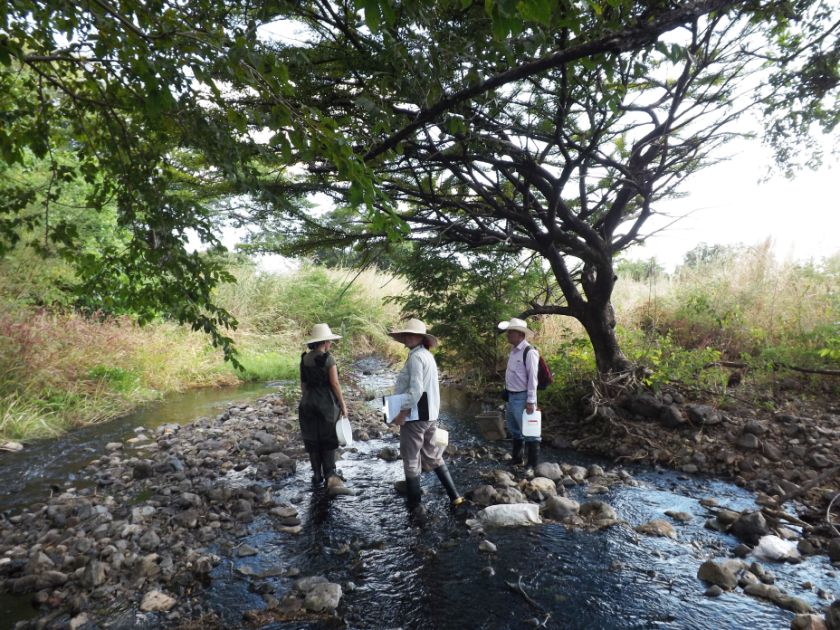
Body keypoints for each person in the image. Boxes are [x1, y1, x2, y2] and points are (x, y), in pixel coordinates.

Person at [389, 318, 464, 514]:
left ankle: (415, 506)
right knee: (432, 455)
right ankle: (455, 497)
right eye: (407, 334)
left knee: (411, 459)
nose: (408, 337)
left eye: (412, 334)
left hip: (415, 416)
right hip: (430, 414)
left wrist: (401, 414)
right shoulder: (426, 355)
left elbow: (415, 391)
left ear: (421, 338)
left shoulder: (415, 357)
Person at [298, 323, 348, 489]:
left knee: (312, 437)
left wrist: (307, 399)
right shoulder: (329, 359)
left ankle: (316, 474)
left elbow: (303, 384)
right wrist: (343, 404)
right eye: (329, 341)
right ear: (325, 342)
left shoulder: (304, 358)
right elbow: (334, 383)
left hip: (308, 402)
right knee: (328, 437)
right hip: (326, 402)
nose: (330, 344)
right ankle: (330, 474)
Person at [498, 317, 540, 475]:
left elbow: (533, 379)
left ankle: (532, 465)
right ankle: (517, 459)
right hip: (511, 396)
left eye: (511, 332)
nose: (507, 335)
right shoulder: (514, 351)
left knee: (529, 431)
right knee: (515, 429)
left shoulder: (530, 352)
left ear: (520, 335)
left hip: (523, 397)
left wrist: (531, 401)